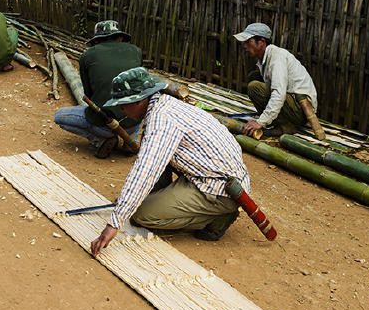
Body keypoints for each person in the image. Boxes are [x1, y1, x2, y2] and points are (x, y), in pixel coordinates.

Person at [89, 67, 251, 258]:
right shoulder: (166, 104)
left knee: (141, 216)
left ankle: (214, 217)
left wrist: (114, 223)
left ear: (140, 100)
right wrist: (128, 200)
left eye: (124, 104)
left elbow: (145, 170)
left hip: (220, 190)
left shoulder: (162, 120)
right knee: (139, 197)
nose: (121, 109)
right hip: (209, 175)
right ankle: (164, 201)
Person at [53, 20, 143, 158]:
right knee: (135, 100)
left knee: (59, 116)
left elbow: (88, 95)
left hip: (104, 122)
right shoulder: (136, 51)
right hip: (133, 122)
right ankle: (130, 140)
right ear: (120, 38)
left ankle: (100, 140)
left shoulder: (88, 56)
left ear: (96, 41)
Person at [234, 22, 318, 139]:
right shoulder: (265, 58)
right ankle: (276, 121)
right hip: (291, 105)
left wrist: (261, 122)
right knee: (254, 76)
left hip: (301, 110)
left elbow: (279, 93)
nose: (245, 46)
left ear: (262, 42)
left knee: (254, 87)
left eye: (248, 42)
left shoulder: (277, 57)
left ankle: (285, 125)